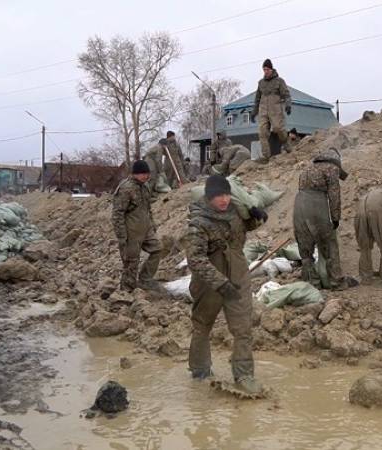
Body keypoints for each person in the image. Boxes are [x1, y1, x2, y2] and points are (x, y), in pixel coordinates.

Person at [182, 174, 268, 393]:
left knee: (243, 328)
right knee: (202, 325)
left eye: (227, 194)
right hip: (209, 282)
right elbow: (196, 259)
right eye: (219, 195)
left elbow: (245, 227)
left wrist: (256, 217)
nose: (224, 199)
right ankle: (200, 371)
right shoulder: (198, 222)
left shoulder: (235, 213)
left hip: (238, 275)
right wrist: (220, 283)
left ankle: (244, 375)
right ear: (209, 197)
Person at [293, 148, 348, 290]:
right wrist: (335, 217)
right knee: (329, 244)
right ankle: (336, 282)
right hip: (316, 204)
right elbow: (334, 195)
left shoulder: (307, 169)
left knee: (305, 247)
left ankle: (312, 283)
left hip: (299, 204)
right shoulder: (331, 168)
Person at [111, 160, 168, 291]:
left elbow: (147, 208)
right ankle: (127, 292)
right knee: (131, 262)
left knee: (157, 249)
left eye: (147, 173)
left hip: (146, 229)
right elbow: (117, 214)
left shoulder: (145, 187)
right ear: (135, 174)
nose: (146, 176)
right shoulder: (126, 188)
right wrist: (122, 236)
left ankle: (145, 279)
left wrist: (152, 225)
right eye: (143, 173)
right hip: (131, 232)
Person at [251, 59, 291, 164]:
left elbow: (286, 94)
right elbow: (257, 99)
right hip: (263, 111)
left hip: (275, 110)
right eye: (264, 69)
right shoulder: (261, 83)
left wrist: (288, 104)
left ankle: (286, 143)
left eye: (267, 69)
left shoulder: (279, 81)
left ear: (271, 69)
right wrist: (254, 112)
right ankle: (266, 156)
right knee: (262, 133)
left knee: (278, 128)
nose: (266, 71)